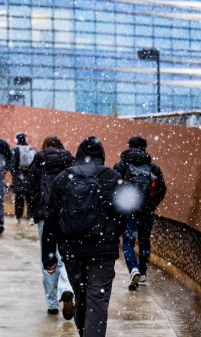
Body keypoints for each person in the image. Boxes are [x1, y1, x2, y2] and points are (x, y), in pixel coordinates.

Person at [42, 137, 125, 337]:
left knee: (82, 297)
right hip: (102, 252)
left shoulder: (62, 178)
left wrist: (48, 255)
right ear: (101, 156)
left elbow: (51, 219)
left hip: (72, 251)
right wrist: (112, 235)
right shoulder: (112, 177)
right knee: (97, 300)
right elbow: (123, 215)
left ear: (78, 156)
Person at [28, 135, 75, 318]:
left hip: (45, 216)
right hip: (65, 215)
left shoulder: (39, 161)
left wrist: (35, 211)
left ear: (45, 146)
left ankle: (52, 303)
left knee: (48, 256)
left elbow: (30, 190)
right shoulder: (70, 162)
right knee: (64, 254)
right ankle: (66, 287)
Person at [113, 135, 167, 290]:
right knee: (144, 242)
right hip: (146, 213)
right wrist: (150, 205)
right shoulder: (153, 168)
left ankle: (133, 268)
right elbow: (162, 190)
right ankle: (142, 274)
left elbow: (114, 187)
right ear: (144, 148)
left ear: (129, 146)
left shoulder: (122, 166)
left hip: (128, 212)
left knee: (128, 243)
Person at [10, 132, 36, 222]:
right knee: (30, 198)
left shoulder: (15, 150)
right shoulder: (32, 150)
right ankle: (31, 217)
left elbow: (12, 166)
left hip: (19, 177)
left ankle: (18, 217)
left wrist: (15, 176)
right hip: (30, 177)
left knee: (19, 198)